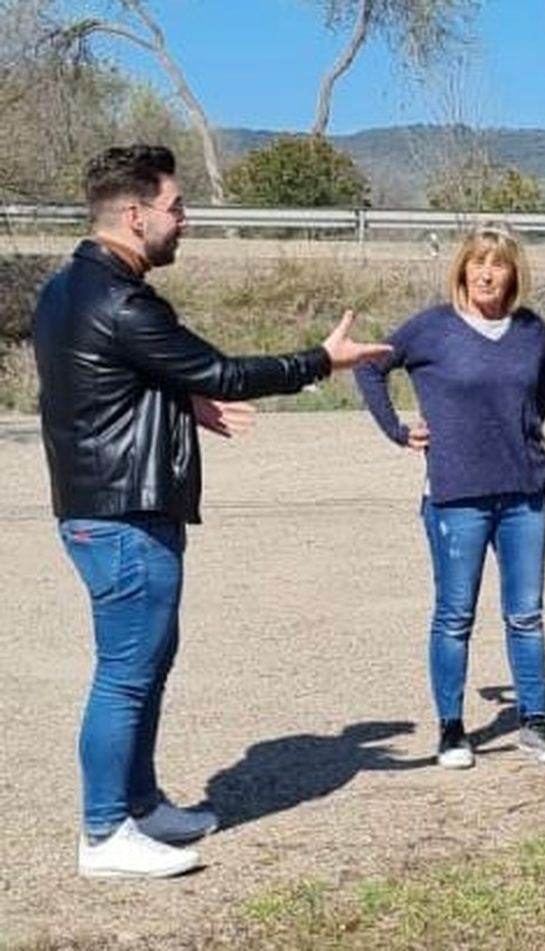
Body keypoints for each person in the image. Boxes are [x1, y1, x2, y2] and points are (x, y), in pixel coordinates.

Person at [33, 144, 390, 879]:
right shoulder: (123, 301)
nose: (184, 221)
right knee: (126, 673)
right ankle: (104, 833)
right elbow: (226, 370)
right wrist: (323, 360)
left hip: (102, 504)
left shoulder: (65, 288)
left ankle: (139, 804)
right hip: (123, 514)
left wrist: (178, 402)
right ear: (134, 216)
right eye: (175, 208)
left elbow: (98, 384)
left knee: (146, 666)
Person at [355, 226, 545, 770]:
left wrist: (523, 425)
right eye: (476, 262)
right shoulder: (432, 329)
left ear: (513, 273)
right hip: (456, 496)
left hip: (524, 492)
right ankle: (452, 729)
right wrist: (398, 430)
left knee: (526, 614)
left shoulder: (530, 331)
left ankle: (533, 720)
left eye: (497, 264)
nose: (486, 273)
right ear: (461, 269)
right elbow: (369, 365)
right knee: (455, 615)